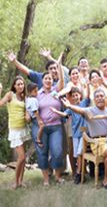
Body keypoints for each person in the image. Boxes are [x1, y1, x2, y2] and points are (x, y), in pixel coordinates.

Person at [61, 89, 107, 189]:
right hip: (97, 142)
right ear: (94, 100)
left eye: (101, 96)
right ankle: (106, 180)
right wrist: (70, 106)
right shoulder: (90, 110)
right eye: (97, 96)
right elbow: (80, 110)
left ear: (105, 98)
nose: (100, 98)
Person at [31, 55, 64, 186]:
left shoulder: (56, 91)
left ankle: (57, 176)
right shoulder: (37, 94)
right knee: (42, 152)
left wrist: (59, 64)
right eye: (46, 78)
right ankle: (46, 179)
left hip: (56, 126)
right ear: (42, 80)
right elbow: (31, 109)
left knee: (57, 151)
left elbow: (61, 80)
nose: (48, 80)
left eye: (50, 78)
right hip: (40, 128)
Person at [51, 87, 90, 184]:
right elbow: (64, 114)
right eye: (73, 96)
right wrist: (55, 111)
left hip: (83, 132)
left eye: (77, 95)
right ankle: (79, 173)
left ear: (80, 96)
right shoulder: (70, 107)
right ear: (71, 98)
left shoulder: (84, 103)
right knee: (77, 154)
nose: (75, 97)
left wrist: (88, 85)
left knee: (80, 152)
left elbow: (88, 95)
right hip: (75, 133)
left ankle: (79, 173)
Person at [0, 76, 31, 189]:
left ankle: (21, 181)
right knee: (21, 157)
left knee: (23, 159)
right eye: (18, 84)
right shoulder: (10, 95)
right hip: (15, 130)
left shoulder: (25, 97)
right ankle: (15, 182)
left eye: (22, 84)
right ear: (14, 86)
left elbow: (27, 113)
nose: (20, 86)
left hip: (24, 129)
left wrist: (28, 117)